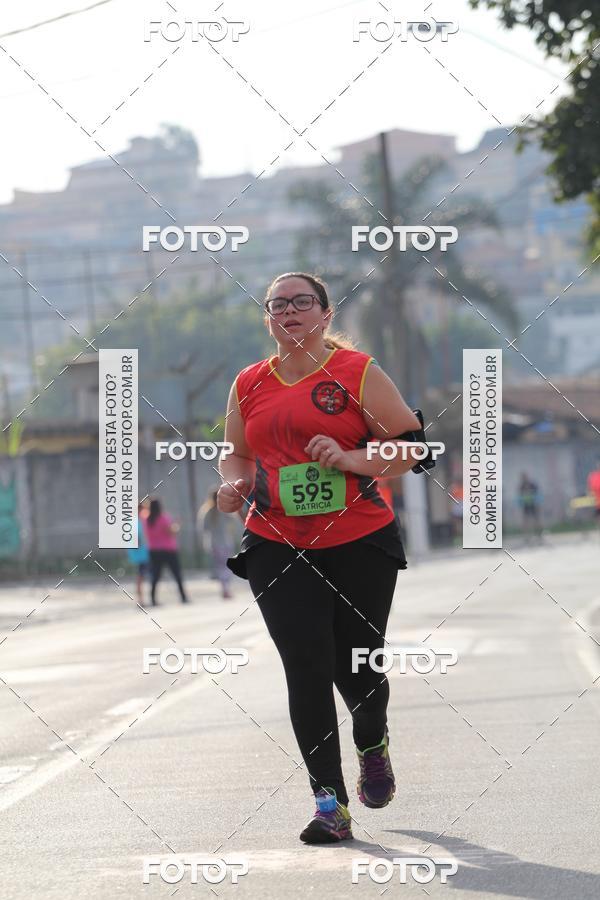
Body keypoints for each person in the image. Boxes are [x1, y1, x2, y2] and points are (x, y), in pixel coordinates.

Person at [217, 272, 425, 844]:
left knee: (358, 667)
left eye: (302, 302)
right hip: (276, 542)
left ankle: (372, 741)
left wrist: (350, 458)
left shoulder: (357, 373)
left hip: (359, 540)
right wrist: (233, 485)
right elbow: (235, 454)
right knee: (305, 667)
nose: (289, 311)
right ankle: (329, 803)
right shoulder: (249, 383)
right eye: (277, 305)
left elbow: (412, 446)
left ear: (326, 314)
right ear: (268, 318)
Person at [143, 497, 189, 606]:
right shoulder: (163, 518)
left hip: (154, 550)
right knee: (176, 574)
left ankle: (153, 599)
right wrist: (177, 525)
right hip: (168, 550)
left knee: (155, 576)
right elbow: (171, 532)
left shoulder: (146, 520)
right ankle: (183, 597)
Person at [198, 485, 238, 599]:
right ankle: (226, 589)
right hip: (225, 542)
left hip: (214, 543)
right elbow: (233, 520)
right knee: (226, 566)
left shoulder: (206, 511)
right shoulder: (223, 509)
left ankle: (224, 589)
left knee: (220, 567)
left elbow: (204, 528)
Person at [127, 500, 151, 607]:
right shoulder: (136, 522)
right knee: (141, 576)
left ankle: (142, 599)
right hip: (141, 554)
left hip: (142, 553)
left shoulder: (139, 521)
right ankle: (141, 600)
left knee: (142, 576)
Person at [517, 473, 543, 542]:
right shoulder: (521, 486)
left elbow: (537, 494)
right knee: (526, 521)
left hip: (533, 505)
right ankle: (527, 536)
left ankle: (539, 534)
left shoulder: (532, 485)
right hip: (525, 506)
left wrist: (538, 504)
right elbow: (519, 497)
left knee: (536, 521)